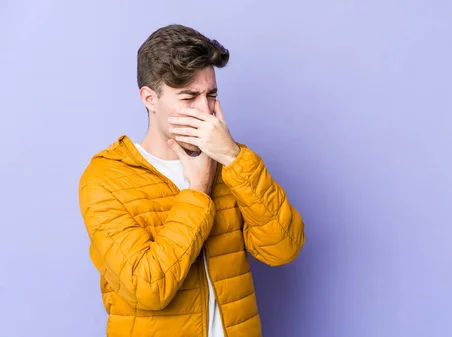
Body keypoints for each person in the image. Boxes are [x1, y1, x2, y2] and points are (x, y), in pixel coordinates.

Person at [77, 24, 306, 337]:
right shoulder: (106, 179)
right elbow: (149, 287)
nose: (205, 111)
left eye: (211, 95)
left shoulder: (232, 163)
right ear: (149, 98)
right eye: (189, 97)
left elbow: (284, 249)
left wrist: (235, 159)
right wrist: (197, 191)